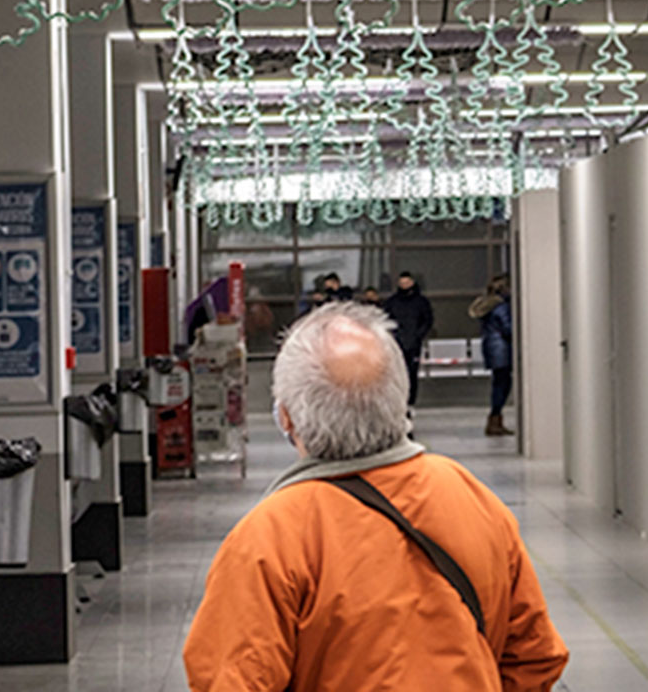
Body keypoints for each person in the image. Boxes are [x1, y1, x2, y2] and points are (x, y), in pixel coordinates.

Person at [184, 303, 568, 690]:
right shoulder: (470, 497)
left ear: (286, 417)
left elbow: (230, 680)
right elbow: (535, 656)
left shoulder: (270, 538)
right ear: (398, 399)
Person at [469, 274, 515, 438]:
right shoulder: (501, 307)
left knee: (498, 383)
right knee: (503, 384)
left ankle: (495, 419)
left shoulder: (488, 305)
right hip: (502, 349)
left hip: (492, 348)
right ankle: (495, 419)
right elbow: (508, 328)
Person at [381, 272, 435, 407]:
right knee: (397, 373)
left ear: (412, 282)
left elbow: (427, 320)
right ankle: (398, 400)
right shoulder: (392, 302)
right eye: (402, 283)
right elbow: (385, 319)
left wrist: (419, 335)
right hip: (397, 343)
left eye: (407, 282)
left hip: (414, 342)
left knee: (412, 373)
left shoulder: (421, 302)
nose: (404, 285)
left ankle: (410, 400)